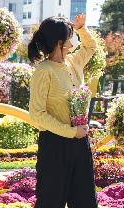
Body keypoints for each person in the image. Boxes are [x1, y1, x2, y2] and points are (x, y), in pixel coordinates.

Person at [28, 14, 98, 208]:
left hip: (80, 143)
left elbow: (91, 47)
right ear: (60, 42)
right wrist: (71, 132)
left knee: (86, 202)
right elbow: (37, 115)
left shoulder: (73, 61)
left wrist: (82, 29)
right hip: (54, 146)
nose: (72, 40)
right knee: (51, 202)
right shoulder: (43, 71)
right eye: (70, 36)